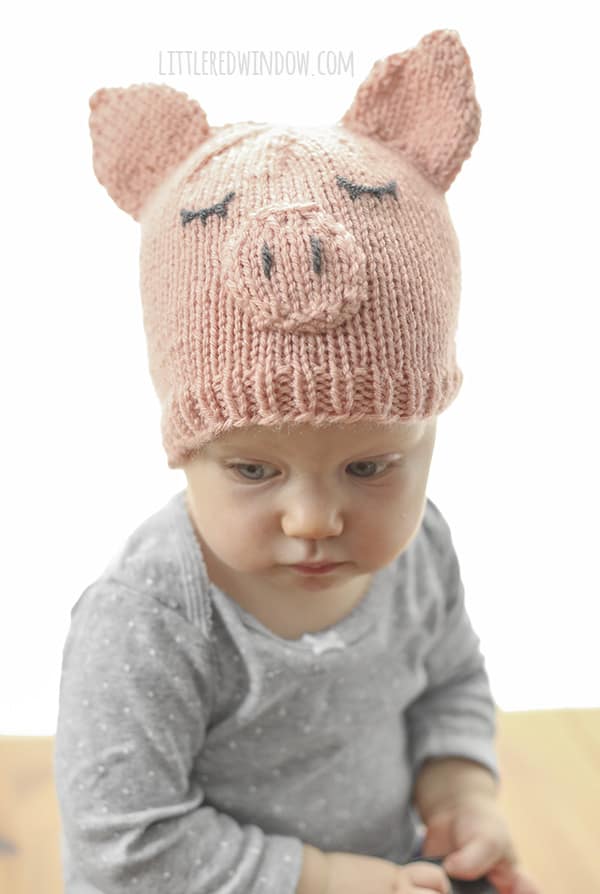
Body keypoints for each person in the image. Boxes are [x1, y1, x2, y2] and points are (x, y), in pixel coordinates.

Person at [54, 29, 541, 894]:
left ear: (429, 432)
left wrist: (459, 787)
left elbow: (450, 679)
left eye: (371, 466)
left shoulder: (420, 549)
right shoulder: (150, 619)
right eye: (251, 470)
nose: (315, 520)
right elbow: (123, 848)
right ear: (186, 448)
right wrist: (323, 878)